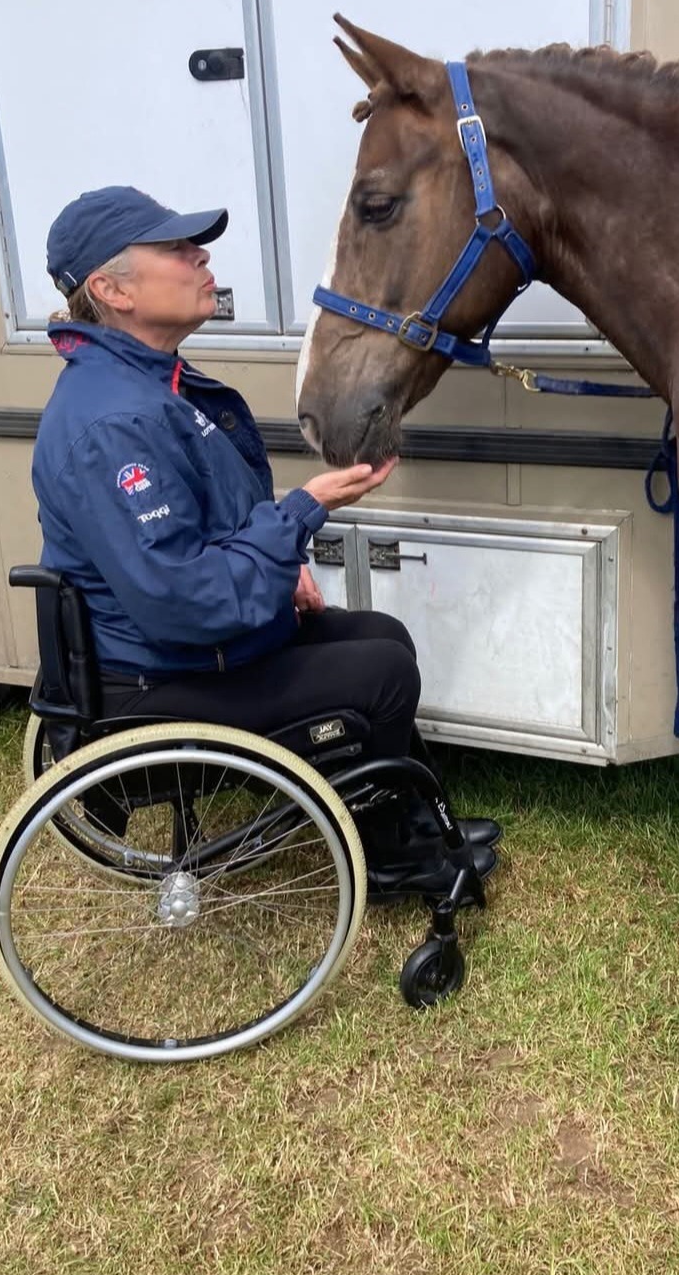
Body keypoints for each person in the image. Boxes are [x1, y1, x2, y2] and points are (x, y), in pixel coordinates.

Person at [32, 186, 499, 898]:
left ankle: (415, 823)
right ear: (112, 290)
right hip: (159, 680)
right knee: (381, 676)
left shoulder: (150, 385)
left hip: (191, 647)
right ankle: (389, 858)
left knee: (384, 635)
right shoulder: (113, 423)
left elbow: (209, 524)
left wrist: (278, 563)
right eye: (176, 248)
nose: (201, 257)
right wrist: (304, 512)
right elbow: (185, 598)